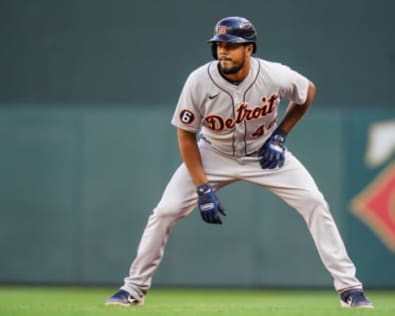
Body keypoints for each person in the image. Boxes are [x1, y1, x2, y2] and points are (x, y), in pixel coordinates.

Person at [105, 16, 373, 309]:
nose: (223, 51)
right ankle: (133, 288)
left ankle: (350, 289)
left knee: (315, 202)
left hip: (264, 154)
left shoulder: (273, 74)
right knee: (165, 211)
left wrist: (281, 134)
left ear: (249, 49)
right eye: (219, 45)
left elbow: (307, 91)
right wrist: (203, 187)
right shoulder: (198, 80)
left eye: (231, 45)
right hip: (213, 154)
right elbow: (186, 137)